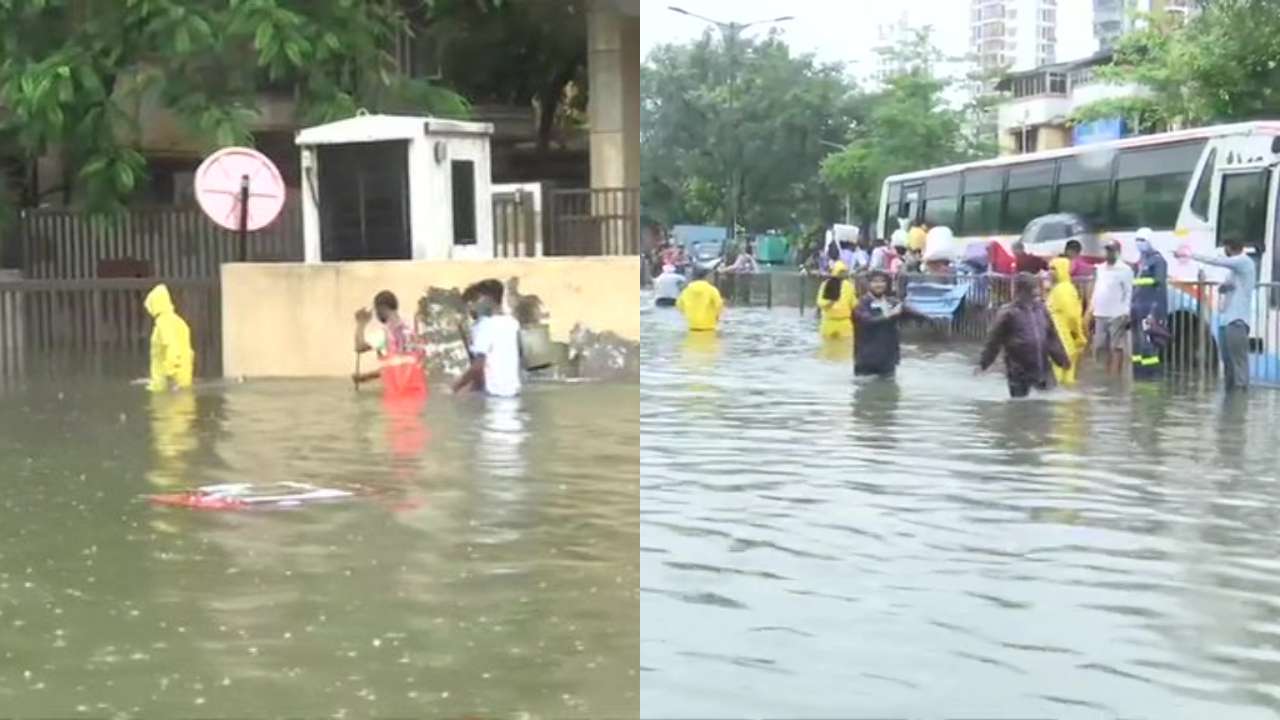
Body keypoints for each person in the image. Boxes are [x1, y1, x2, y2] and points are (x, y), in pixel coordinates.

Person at [979, 273, 1072, 398]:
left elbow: (1051, 337)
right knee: (1020, 406)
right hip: (1019, 371)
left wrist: (1062, 359)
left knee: (1048, 403)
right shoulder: (1008, 313)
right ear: (1022, 290)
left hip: (1043, 369)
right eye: (1034, 289)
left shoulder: (1041, 309)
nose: (1037, 292)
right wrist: (984, 363)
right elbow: (993, 341)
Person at [1183, 239, 1257, 390]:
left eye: (1226, 248)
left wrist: (1192, 255)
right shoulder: (1234, 271)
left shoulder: (1244, 262)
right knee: (1227, 362)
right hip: (1225, 320)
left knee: (1239, 363)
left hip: (1237, 321)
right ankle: (1230, 402)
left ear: (1229, 248)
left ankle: (1240, 398)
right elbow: (1226, 287)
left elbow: (1217, 261)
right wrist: (1224, 288)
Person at [453, 280, 521, 397]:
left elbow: (478, 366)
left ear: (485, 300)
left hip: (492, 395)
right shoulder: (512, 323)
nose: (469, 308)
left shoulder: (484, 325)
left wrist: (455, 388)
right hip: (511, 393)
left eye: (472, 301)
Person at [354, 290, 427, 397]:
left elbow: (359, 347)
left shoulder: (385, 333)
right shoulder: (414, 326)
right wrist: (367, 377)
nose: (376, 315)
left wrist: (361, 323)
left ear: (382, 308)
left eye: (376, 311)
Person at [853, 270, 926, 378]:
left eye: (882, 281)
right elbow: (867, 321)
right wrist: (890, 315)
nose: (879, 284)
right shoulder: (861, 304)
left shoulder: (892, 302)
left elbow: (911, 313)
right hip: (866, 359)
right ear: (868, 284)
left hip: (888, 358)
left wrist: (923, 317)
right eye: (875, 282)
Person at [1084, 239, 1134, 378]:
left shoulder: (1125, 270)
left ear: (1117, 252)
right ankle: (1105, 374)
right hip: (1100, 313)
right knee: (1100, 346)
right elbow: (1097, 289)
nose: (1108, 253)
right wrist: (1091, 309)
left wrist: (1126, 312)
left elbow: (1128, 292)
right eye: (1106, 250)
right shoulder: (1100, 269)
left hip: (1118, 314)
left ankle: (1115, 376)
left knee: (1116, 347)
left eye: (1111, 250)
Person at [1130, 227, 1169, 379]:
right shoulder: (1140, 262)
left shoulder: (1158, 261)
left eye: (1143, 241)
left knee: (1150, 345)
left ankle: (1152, 378)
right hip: (1137, 309)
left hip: (1151, 310)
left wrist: (1154, 312)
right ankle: (1138, 376)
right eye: (1137, 240)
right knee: (1137, 346)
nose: (1140, 244)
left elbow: (1158, 287)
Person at [144, 283, 194, 392]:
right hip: (182, 381)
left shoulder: (164, 323)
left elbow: (173, 349)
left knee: (167, 408)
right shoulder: (177, 321)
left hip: (168, 387)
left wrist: (171, 377)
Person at [1046, 257, 1087, 387]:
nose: (1050, 272)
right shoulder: (1059, 289)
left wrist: (1078, 337)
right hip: (1059, 342)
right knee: (1066, 382)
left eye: (1054, 268)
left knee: (1059, 380)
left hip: (1062, 342)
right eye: (1049, 268)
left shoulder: (1064, 290)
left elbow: (1073, 317)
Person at [817, 260, 856, 341]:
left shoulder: (849, 286)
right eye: (841, 271)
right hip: (829, 322)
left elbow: (854, 304)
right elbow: (820, 302)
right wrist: (830, 303)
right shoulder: (826, 285)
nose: (843, 274)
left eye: (844, 272)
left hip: (845, 323)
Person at [676, 266, 724, 332]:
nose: (713, 278)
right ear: (707, 277)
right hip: (709, 329)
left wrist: (689, 314)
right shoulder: (712, 290)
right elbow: (719, 305)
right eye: (712, 276)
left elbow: (679, 305)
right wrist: (717, 317)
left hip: (692, 327)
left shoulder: (686, 290)